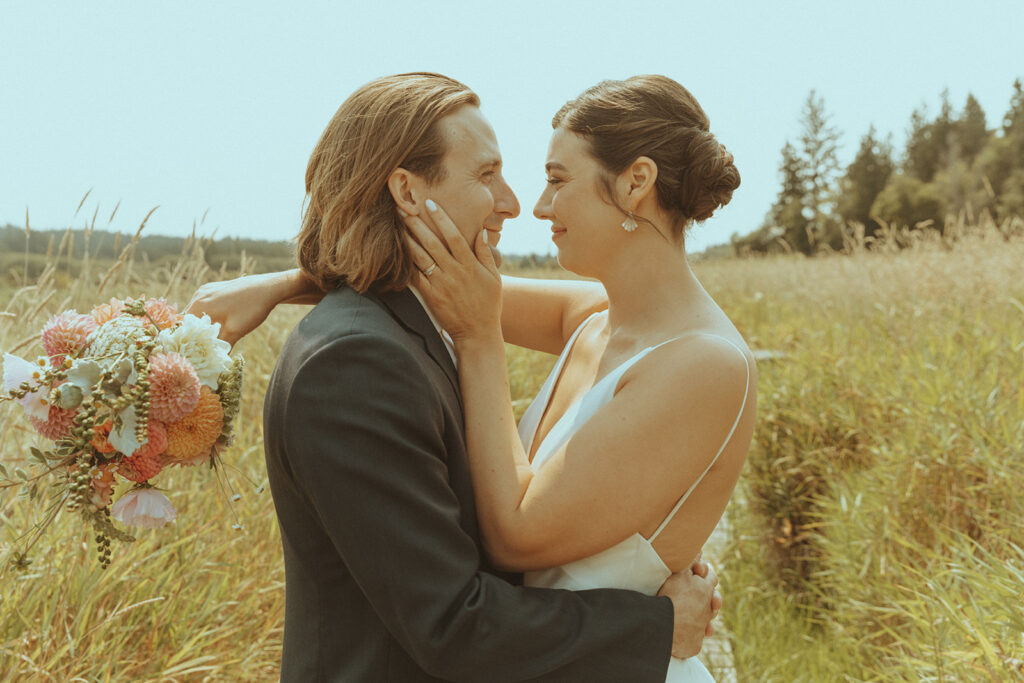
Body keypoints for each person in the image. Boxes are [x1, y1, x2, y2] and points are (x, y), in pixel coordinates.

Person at [189, 72, 721, 682]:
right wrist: (655, 628)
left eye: (550, 179)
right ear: (408, 193)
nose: (516, 203)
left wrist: (283, 284)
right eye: (487, 174)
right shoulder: (354, 365)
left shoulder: (405, 321)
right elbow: (452, 624)